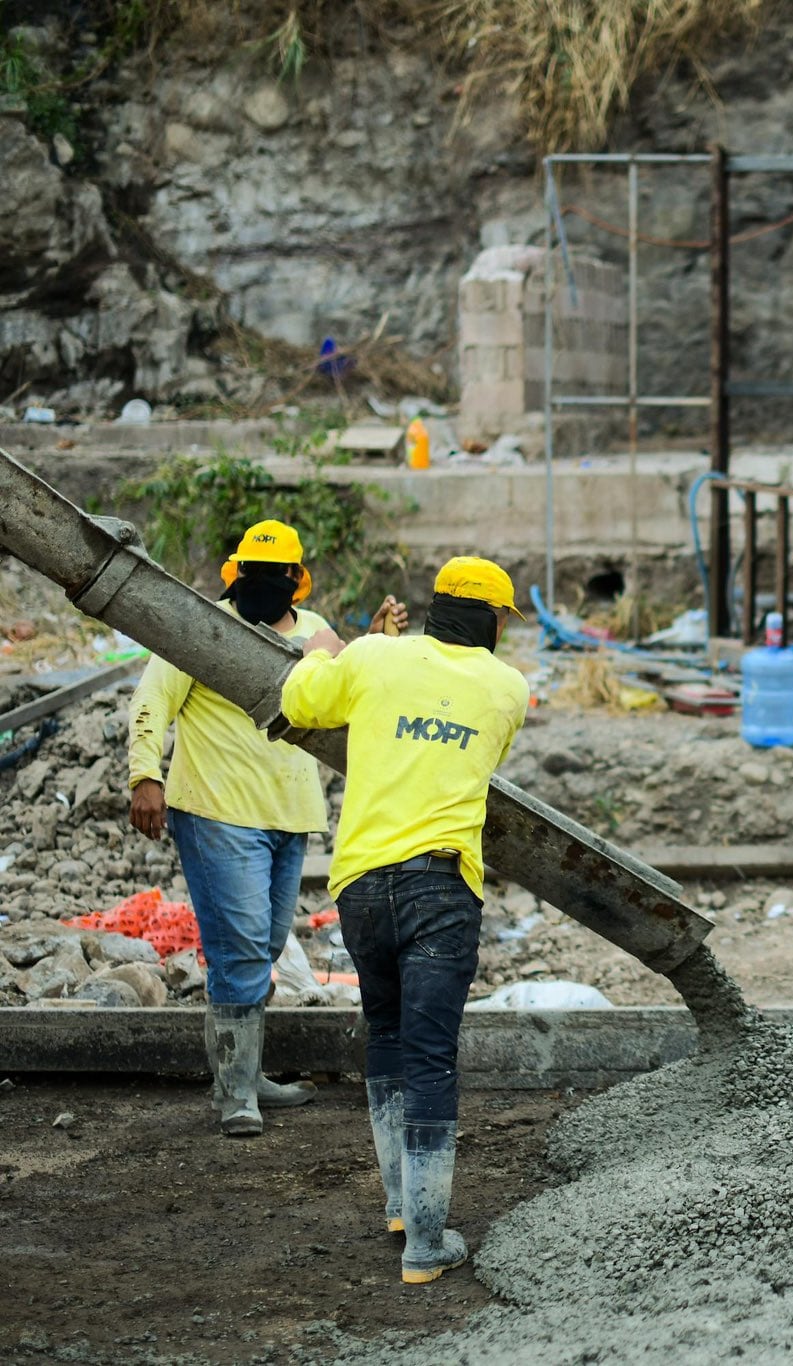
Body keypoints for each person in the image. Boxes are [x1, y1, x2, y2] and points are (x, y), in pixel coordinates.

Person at [281, 556, 529, 1285]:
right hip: (440, 890)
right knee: (430, 1055)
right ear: (492, 622)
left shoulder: (371, 657)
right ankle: (426, 1243)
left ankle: (399, 1205)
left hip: (359, 885)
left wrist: (322, 651)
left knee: (384, 1034)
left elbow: (301, 705)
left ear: (432, 606)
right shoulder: (507, 689)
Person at [127, 518, 404, 1138]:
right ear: (237, 575)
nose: (264, 585)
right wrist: (145, 775)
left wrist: (378, 645)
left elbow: (347, 690)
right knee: (240, 946)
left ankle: (247, 1076)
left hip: (290, 816)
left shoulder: (314, 634)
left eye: (276, 576)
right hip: (217, 810)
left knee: (266, 942)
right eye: (254, 574)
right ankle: (235, 1093)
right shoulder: (202, 628)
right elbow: (151, 699)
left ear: (294, 582)